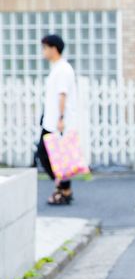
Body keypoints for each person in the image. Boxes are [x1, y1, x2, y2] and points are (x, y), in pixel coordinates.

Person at [37, 34, 77, 205]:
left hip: (57, 122)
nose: (43, 51)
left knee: (47, 154)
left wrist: (60, 118)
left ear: (54, 49)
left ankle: (64, 189)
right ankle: (63, 189)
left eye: (45, 48)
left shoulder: (63, 69)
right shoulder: (58, 67)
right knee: (54, 156)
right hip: (51, 120)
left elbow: (62, 94)